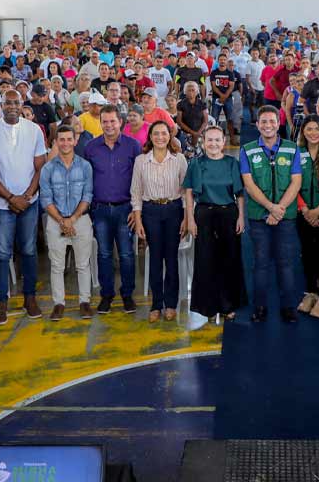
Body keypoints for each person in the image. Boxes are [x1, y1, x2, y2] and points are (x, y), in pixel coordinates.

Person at [0, 90, 47, 323]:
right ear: (1, 105)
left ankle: (30, 298)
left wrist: (26, 196)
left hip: (29, 202)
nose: (12, 106)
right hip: (1, 204)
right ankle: (1, 301)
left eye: (16, 102)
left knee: (28, 250)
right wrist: (10, 198)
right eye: (8, 103)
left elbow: (40, 167)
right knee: (2, 253)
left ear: (22, 103)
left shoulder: (33, 130)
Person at [240, 106, 303, 323]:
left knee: (286, 263)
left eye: (272, 121)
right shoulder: (247, 150)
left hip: (285, 216)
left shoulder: (292, 148)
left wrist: (279, 210)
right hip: (259, 217)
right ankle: (260, 307)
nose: (268, 125)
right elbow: (249, 185)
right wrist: (270, 207)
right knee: (260, 263)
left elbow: (296, 182)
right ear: (257, 125)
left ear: (278, 123)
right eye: (264, 122)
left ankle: (289, 307)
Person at [82, 104, 141, 315]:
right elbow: (86, 179)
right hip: (100, 210)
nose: (109, 125)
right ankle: (106, 295)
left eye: (112, 121)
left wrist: (136, 210)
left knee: (126, 254)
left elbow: (139, 180)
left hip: (126, 209)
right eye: (105, 122)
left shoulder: (133, 146)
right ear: (100, 123)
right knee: (104, 254)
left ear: (120, 122)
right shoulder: (91, 147)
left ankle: (127, 295)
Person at [185, 124, 247, 321]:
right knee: (206, 261)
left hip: (228, 215)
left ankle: (228, 305)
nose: (213, 144)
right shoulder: (196, 163)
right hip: (204, 215)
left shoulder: (231, 163)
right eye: (209, 140)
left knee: (229, 260)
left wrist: (241, 217)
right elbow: (189, 193)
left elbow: (239, 194)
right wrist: (190, 219)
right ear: (203, 142)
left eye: (217, 140)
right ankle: (208, 307)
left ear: (223, 142)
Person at [131, 121, 188, 323]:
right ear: (150, 137)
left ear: (170, 136)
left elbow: (185, 192)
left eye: (164, 133)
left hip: (174, 210)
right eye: (156, 134)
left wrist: (186, 218)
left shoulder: (179, 159)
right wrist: (138, 221)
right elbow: (136, 192)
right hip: (151, 211)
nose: (160, 137)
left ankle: (170, 304)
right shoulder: (141, 161)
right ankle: (156, 305)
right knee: (155, 258)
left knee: (171, 258)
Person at [40, 125, 95, 321]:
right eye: (61, 139)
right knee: (57, 265)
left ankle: (84, 302)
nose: (65, 143)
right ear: (55, 142)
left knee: (83, 264)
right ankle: (58, 303)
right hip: (56, 221)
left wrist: (72, 219)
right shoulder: (47, 169)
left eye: (69, 139)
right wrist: (62, 220)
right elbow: (46, 198)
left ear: (75, 141)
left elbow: (88, 195)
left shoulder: (85, 166)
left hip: (80, 219)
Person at [295, 115, 319, 319]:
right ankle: (310, 293)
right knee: (308, 256)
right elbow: (292, 183)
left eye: (317, 129)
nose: (313, 133)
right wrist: (304, 210)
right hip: (303, 215)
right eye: (309, 129)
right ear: (303, 131)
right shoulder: (297, 153)